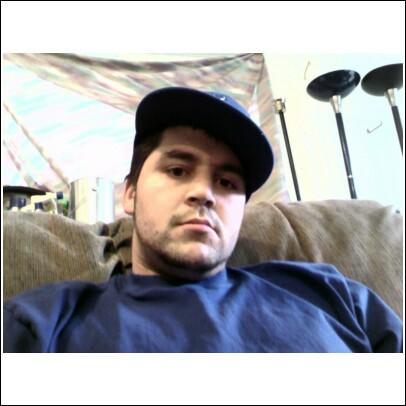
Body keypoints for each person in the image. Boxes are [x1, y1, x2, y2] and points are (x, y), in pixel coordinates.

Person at [3, 87, 402, 352]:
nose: (204, 193)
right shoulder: (42, 323)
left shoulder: (334, 297)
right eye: (177, 170)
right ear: (130, 193)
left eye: (227, 182)